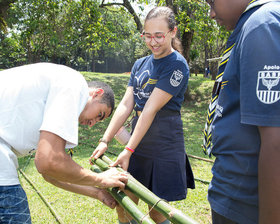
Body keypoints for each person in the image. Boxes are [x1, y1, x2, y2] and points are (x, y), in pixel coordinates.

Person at [92, 6, 195, 224]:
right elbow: (126, 104)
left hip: (163, 144)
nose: (153, 41)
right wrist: (105, 140)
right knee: (124, 203)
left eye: (159, 35)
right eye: (147, 36)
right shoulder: (140, 64)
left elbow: (149, 108)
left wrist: (128, 150)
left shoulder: (177, 65)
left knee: (157, 211)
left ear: (173, 32)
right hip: (139, 144)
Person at [0, 62, 128, 223]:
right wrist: (101, 179)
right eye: (99, 115)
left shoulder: (54, 94)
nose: (92, 124)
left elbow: (50, 174)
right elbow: (49, 162)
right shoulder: (74, 84)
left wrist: (98, 193)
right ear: (96, 93)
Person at [204, 0, 280, 223]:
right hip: (235, 196)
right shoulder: (250, 25)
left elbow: (275, 141)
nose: (211, 13)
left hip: (245, 204)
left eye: (212, 2)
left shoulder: (262, 25)